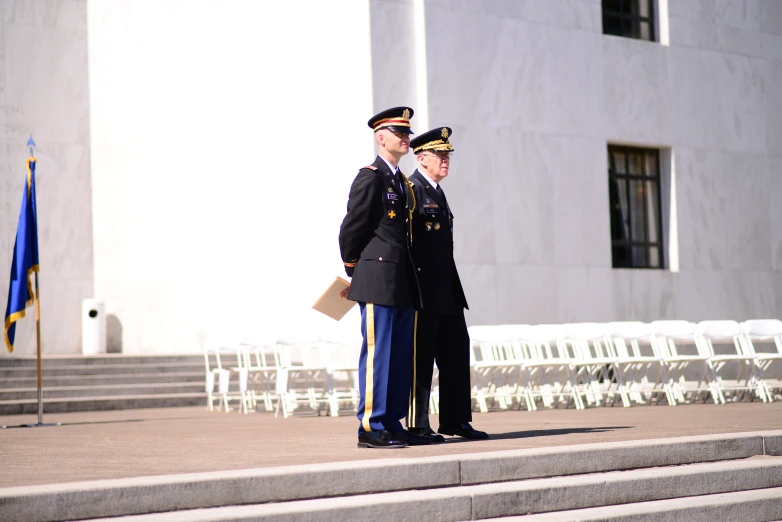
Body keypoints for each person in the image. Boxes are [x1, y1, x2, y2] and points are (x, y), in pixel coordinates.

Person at [339, 106, 428, 448]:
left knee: (399, 354)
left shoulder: (400, 181)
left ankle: (392, 421)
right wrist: (353, 268)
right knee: (379, 353)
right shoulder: (370, 176)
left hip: (402, 278)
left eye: (407, 133)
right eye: (399, 133)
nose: (406, 138)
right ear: (381, 137)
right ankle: (371, 426)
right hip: (377, 276)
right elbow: (351, 228)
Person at [405, 127, 489, 442]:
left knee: (456, 355)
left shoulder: (437, 192)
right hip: (422, 292)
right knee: (420, 359)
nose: (446, 160)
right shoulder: (411, 189)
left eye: (448, 154)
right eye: (440, 154)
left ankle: (455, 420)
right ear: (421, 157)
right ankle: (417, 423)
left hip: (448, 291)